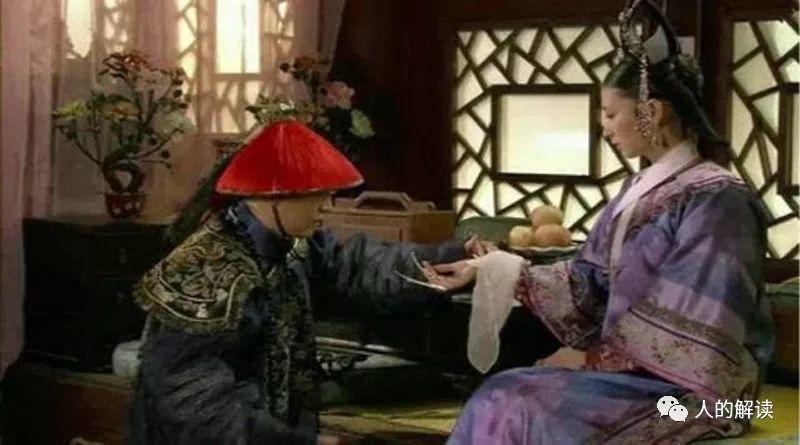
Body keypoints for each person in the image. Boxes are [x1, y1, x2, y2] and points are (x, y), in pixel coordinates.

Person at [426, 1, 775, 443]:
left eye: (611, 114)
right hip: (635, 376)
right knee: (503, 393)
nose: (604, 127)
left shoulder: (719, 198)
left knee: (520, 405)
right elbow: (586, 284)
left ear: (654, 112)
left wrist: (594, 360)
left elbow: (704, 325)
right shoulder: (637, 191)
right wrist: (492, 267)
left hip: (706, 393)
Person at [127, 120, 469, 444]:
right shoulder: (207, 268)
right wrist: (289, 441)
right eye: (316, 195)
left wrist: (454, 258)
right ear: (275, 194)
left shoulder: (294, 245)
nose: (326, 206)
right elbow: (193, 401)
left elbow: (356, 268)